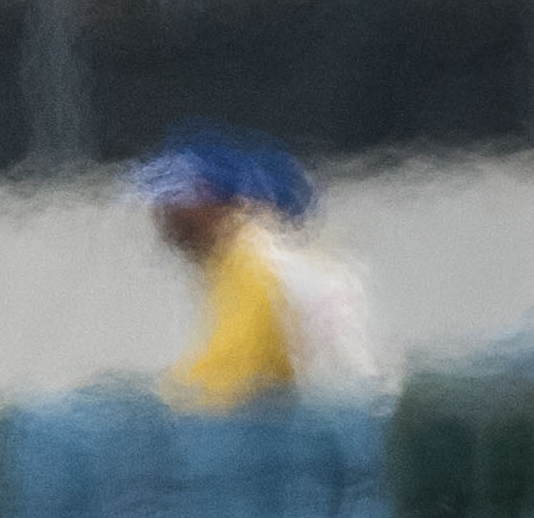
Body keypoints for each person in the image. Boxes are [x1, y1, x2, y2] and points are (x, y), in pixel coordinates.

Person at [136, 135, 389, 409]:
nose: (164, 217)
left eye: (178, 200)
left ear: (218, 205)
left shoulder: (256, 270)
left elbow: (228, 383)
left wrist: (162, 404)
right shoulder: (245, 265)